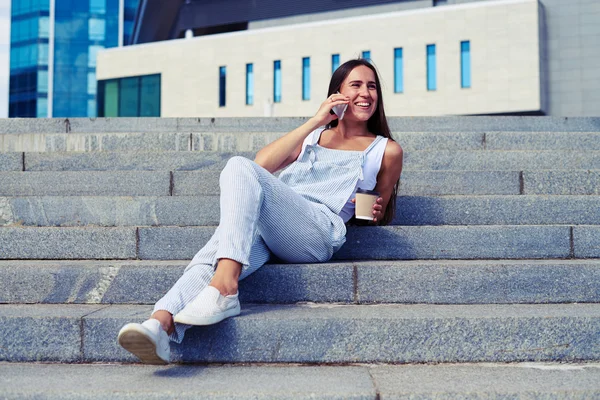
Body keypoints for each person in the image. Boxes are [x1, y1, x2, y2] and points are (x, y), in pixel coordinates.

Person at [117, 58, 404, 364]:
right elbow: (263, 164)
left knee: (238, 169)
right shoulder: (312, 136)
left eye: (372, 86)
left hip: (317, 232)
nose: (366, 93)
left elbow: (377, 209)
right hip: (275, 227)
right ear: (337, 94)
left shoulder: (385, 149)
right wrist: (316, 121)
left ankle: (224, 288)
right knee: (217, 250)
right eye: (356, 85)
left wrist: (369, 209)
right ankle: (160, 323)